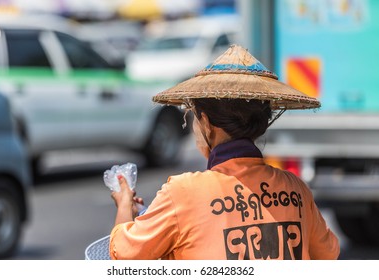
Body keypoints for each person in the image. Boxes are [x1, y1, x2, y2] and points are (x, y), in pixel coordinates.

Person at [109, 45, 340, 260]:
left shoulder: (182, 192)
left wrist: (124, 206)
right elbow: (328, 253)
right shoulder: (295, 188)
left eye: (194, 118)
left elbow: (125, 254)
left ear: (206, 123)